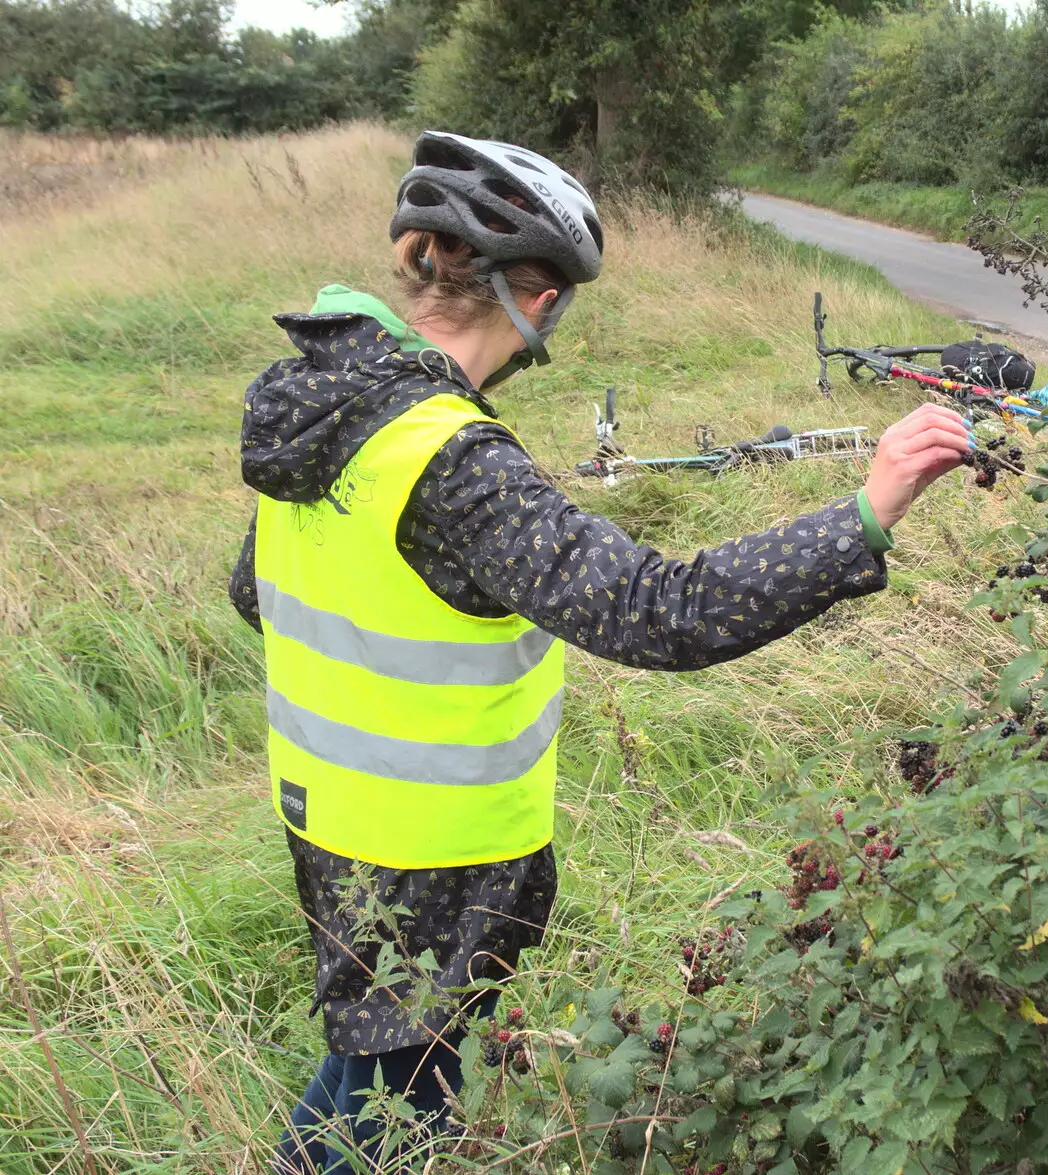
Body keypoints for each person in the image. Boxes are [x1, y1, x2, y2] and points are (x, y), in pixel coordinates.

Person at [227, 130, 973, 1173]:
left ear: (413, 253)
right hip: (429, 854)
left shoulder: (322, 406)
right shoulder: (453, 461)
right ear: (539, 301)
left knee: (384, 1067)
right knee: (396, 1106)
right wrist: (865, 510)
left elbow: (253, 592)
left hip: (328, 818)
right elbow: (658, 610)